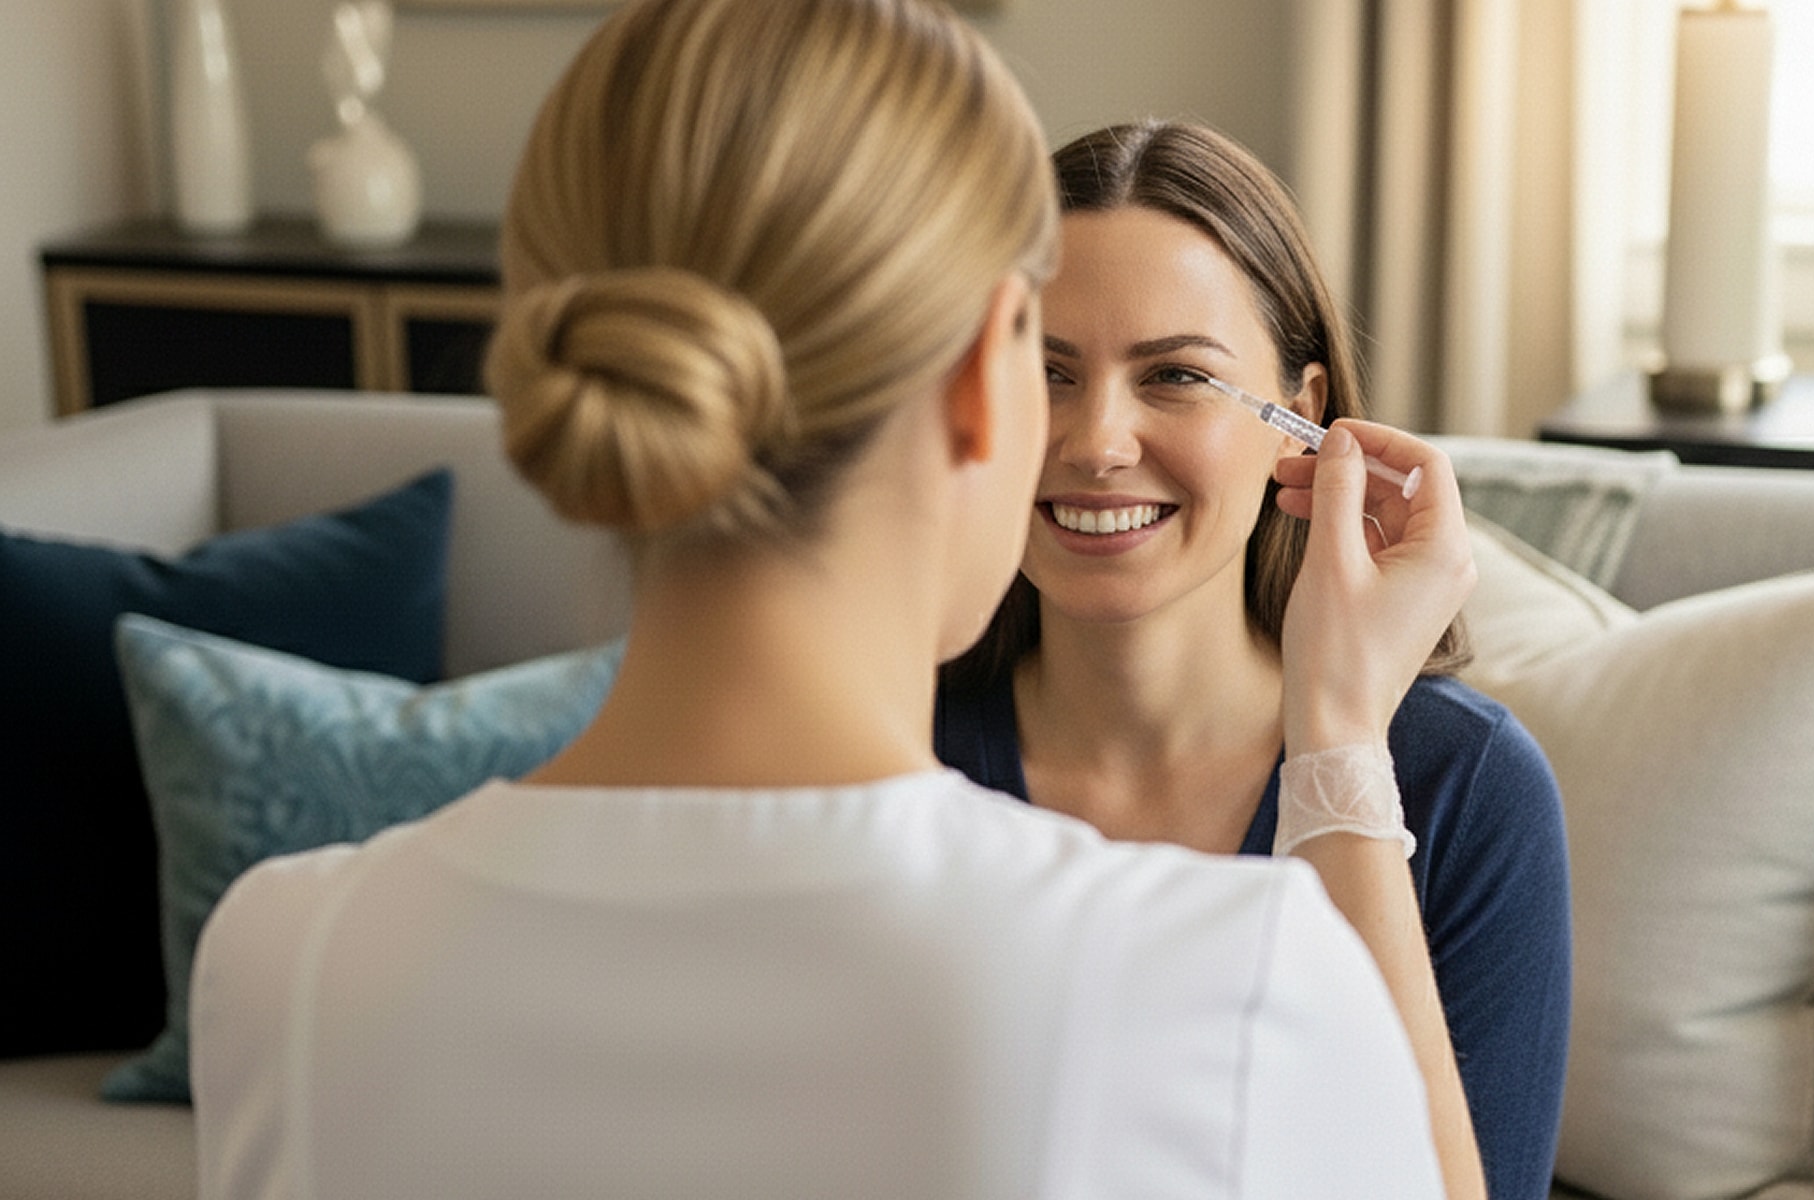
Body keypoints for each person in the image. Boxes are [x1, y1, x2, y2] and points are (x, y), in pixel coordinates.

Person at [187, 2, 1484, 1198]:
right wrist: (1343, 755)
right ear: (991, 373)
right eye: (1049, 357)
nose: (1096, 439)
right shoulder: (1220, 977)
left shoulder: (284, 960)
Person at [936, 119, 1572, 1200]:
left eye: (1175, 375)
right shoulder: (892, 743)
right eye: (1045, 370)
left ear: (1302, 418)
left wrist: (1338, 745)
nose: (1097, 441)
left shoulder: (1467, 789)